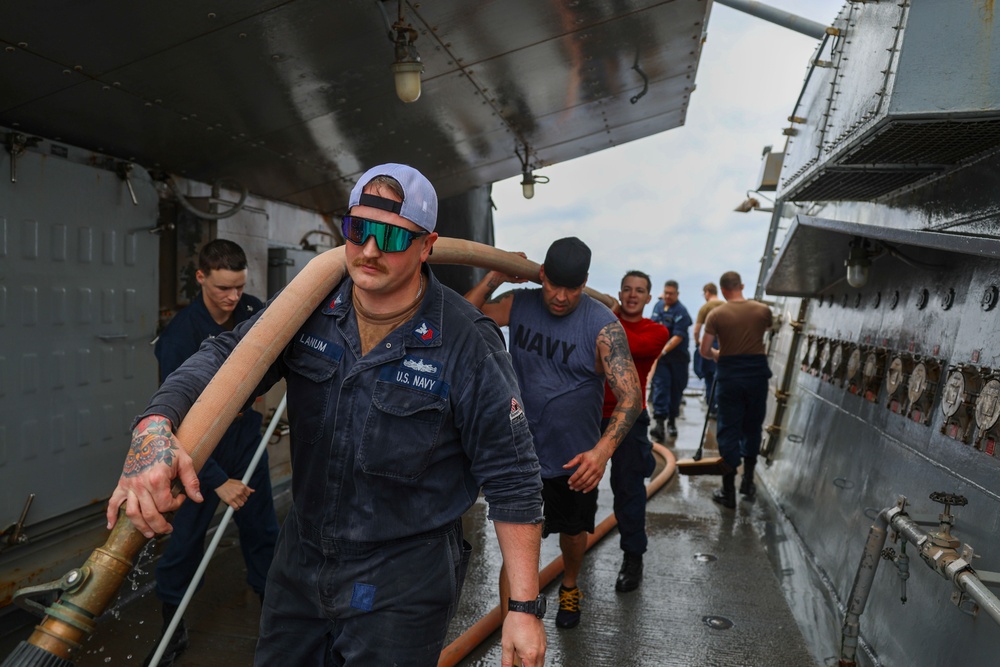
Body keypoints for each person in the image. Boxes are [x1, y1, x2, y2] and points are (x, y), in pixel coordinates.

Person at [107, 163, 547, 667]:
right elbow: (225, 357)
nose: (370, 250)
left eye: (391, 236)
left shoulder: (468, 342)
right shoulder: (308, 308)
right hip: (303, 562)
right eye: (358, 230)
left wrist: (522, 608)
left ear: (427, 246)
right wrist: (154, 425)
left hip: (401, 578)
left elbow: (513, 478)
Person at [465, 237, 641, 629]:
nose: (560, 297)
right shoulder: (521, 303)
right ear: (541, 274)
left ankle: (570, 584)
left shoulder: (603, 326)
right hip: (520, 455)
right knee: (518, 550)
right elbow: (464, 314)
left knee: (574, 534)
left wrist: (601, 453)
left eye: (572, 289)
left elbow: (632, 396)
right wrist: (494, 276)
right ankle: (515, 622)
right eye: (553, 285)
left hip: (574, 460)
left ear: (585, 283)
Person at [143, 239, 281, 667]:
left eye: (239, 287)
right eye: (224, 288)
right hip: (198, 447)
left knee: (264, 534)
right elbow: (177, 419)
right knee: (184, 542)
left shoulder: (253, 311)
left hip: (245, 436)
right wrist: (218, 480)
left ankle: (275, 627)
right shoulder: (179, 337)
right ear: (201, 278)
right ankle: (172, 631)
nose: (234, 297)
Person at [602, 270, 669, 592]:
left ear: (648, 298)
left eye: (639, 291)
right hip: (589, 415)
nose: (632, 295)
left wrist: (603, 313)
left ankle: (633, 557)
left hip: (629, 418)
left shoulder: (657, 331)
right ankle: (573, 547)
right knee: (575, 486)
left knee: (628, 489)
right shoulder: (603, 320)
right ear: (620, 291)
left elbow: (628, 347)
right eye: (626, 289)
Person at [699, 271, 774, 509]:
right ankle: (748, 483)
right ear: (741, 286)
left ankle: (728, 491)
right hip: (757, 376)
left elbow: (704, 350)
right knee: (752, 427)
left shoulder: (716, 314)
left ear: (722, 290)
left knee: (728, 430)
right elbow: (767, 332)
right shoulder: (763, 310)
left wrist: (717, 355)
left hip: (730, 377)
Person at [649, 280, 692, 441]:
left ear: (677, 294)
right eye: (666, 292)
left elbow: (678, 336)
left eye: (671, 293)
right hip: (661, 360)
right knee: (661, 387)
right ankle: (659, 423)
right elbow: (652, 328)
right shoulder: (658, 307)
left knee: (675, 390)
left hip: (678, 359)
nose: (667, 296)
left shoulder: (681, 312)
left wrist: (663, 350)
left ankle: (672, 421)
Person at [693, 282, 724, 417]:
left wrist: (698, 342)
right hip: (725, 345)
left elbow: (696, 331)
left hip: (710, 344)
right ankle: (720, 406)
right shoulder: (726, 306)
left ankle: (711, 408)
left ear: (707, 292)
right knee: (721, 378)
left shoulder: (705, 308)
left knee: (709, 378)